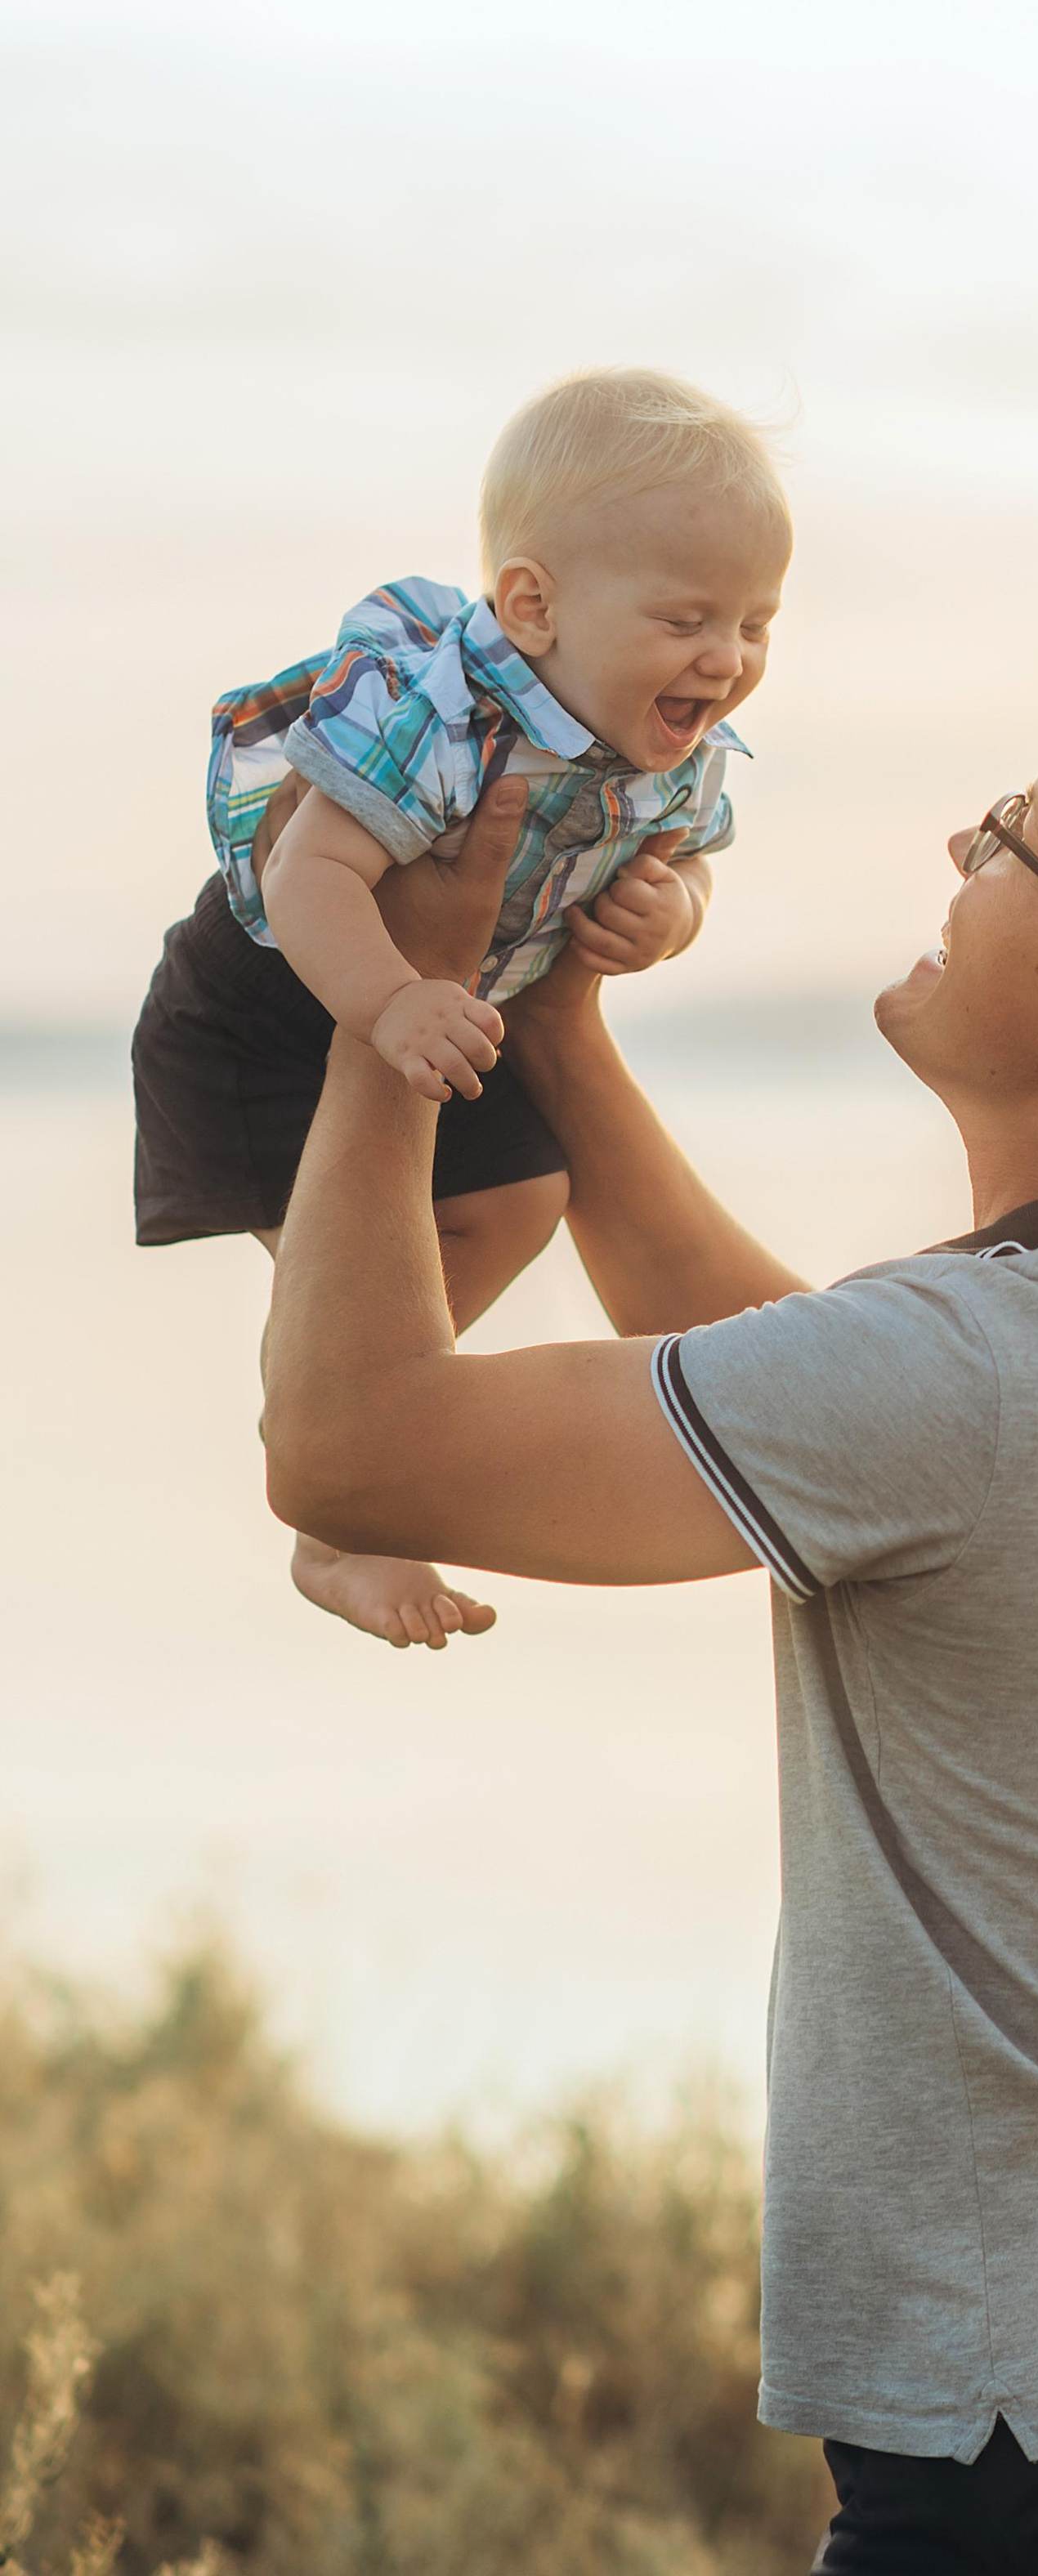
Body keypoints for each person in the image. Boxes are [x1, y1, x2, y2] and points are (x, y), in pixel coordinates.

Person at [261, 680, 1038, 2576]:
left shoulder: (963, 1382)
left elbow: (347, 1447)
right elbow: (780, 1377)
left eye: (1014, 840)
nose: (957, 849)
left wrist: (385, 1006)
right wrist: (562, 1021)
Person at [130, 364, 791, 1650]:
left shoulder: (671, 751)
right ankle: (339, 1487)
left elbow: (694, 856)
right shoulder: (439, 710)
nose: (729, 659)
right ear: (534, 605)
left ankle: (341, 1460)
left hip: (442, 1001)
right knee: (361, 1258)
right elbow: (306, 865)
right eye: (689, 619)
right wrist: (385, 1005)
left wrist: (676, 916)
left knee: (522, 1202)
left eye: (758, 626)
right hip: (277, 997)